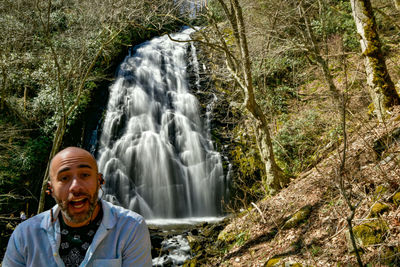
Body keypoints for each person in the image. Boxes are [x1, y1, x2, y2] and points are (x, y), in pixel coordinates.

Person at [3, 147, 152, 267]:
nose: (76, 187)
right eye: (64, 178)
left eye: (85, 175)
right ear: (50, 189)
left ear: (100, 181)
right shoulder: (25, 235)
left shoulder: (130, 228)